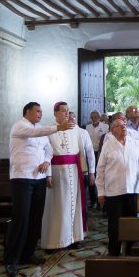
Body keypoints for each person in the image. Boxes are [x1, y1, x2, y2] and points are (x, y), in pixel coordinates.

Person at [5, 101, 74, 277]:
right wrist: (58, 128)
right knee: (20, 218)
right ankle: (12, 259)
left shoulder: (41, 129)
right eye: (37, 111)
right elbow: (36, 133)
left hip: (39, 179)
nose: (40, 114)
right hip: (21, 177)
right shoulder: (20, 126)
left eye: (41, 112)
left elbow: (48, 149)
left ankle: (28, 254)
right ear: (27, 111)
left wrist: (46, 160)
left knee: (36, 217)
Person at [40, 102, 94, 251]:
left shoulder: (75, 129)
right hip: (57, 172)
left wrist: (85, 171)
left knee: (74, 204)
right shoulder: (48, 129)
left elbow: (81, 152)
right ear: (55, 113)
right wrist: (48, 175)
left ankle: (75, 238)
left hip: (74, 172)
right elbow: (46, 153)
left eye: (67, 111)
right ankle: (55, 241)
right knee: (58, 206)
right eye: (63, 111)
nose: (66, 113)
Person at [96, 117, 139, 256]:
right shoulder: (108, 145)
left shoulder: (135, 142)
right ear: (113, 130)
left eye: (125, 125)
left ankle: (131, 250)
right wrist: (100, 192)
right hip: (113, 191)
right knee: (114, 223)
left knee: (131, 221)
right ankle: (114, 251)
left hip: (132, 189)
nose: (124, 127)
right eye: (120, 126)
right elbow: (100, 169)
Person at [68, 110, 97, 215]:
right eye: (69, 118)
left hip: (82, 168)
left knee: (81, 194)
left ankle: (81, 216)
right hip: (67, 169)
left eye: (73, 117)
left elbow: (90, 153)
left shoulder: (83, 132)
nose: (72, 119)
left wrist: (92, 172)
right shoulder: (62, 132)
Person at [85, 110, 108, 208]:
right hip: (90, 153)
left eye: (95, 116)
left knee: (100, 175)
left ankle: (100, 199)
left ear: (99, 117)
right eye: (92, 117)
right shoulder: (87, 127)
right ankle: (93, 199)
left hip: (101, 153)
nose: (93, 118)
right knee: (91, 175)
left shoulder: (105, 127)